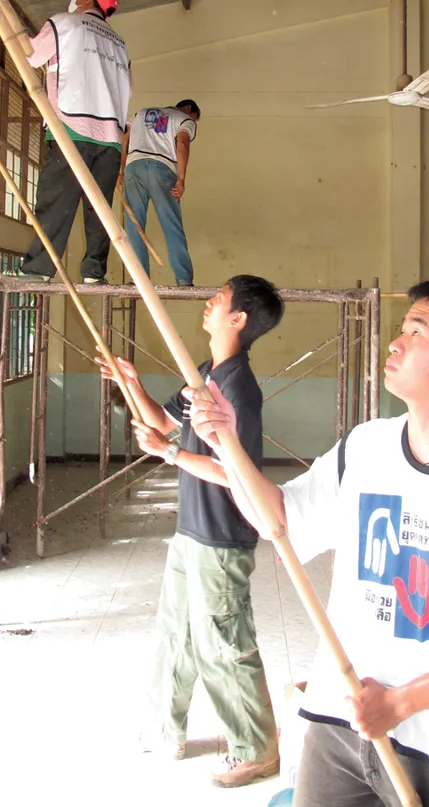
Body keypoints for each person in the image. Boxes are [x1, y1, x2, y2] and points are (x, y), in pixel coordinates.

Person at [188, 277, 429, 807]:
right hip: (343, 715)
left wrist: (400, 703)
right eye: (401, 330)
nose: (395, 343)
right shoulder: (368, 446)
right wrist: (227, 439)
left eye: (416, 332)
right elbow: (280, 522)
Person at [98, 275, 284, 788]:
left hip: (222, 535)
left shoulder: (240, 390)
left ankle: (255, 749)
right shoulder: (204, 373)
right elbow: (167, 423)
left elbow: (235, 473)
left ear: (239, 318)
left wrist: (171, 455)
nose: (208, 303)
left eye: (218, 298)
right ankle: (165, 729)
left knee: (223, 644)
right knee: (175, 635)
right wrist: (131, 384)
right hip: (191, 529)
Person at [10, 0, 131, 285]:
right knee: (99, 210)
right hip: (110, 140)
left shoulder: (66, 23)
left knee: (56, 203)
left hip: (71, 129)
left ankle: (38, 269)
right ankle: (94, 272)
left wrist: (19, 36)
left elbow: (31, 56)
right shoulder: (119, 44)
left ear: (90, 0)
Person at [120, 101, 200, 286]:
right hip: (161, 169)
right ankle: (183, 278)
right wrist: (181, 178)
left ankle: (139, 278)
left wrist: (121, 169)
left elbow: (124, 139)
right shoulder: (184, 119)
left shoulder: (140, 112)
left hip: (134, 167)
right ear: (189, 109)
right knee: (171, 224)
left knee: (134, 226)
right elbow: (182, 143)